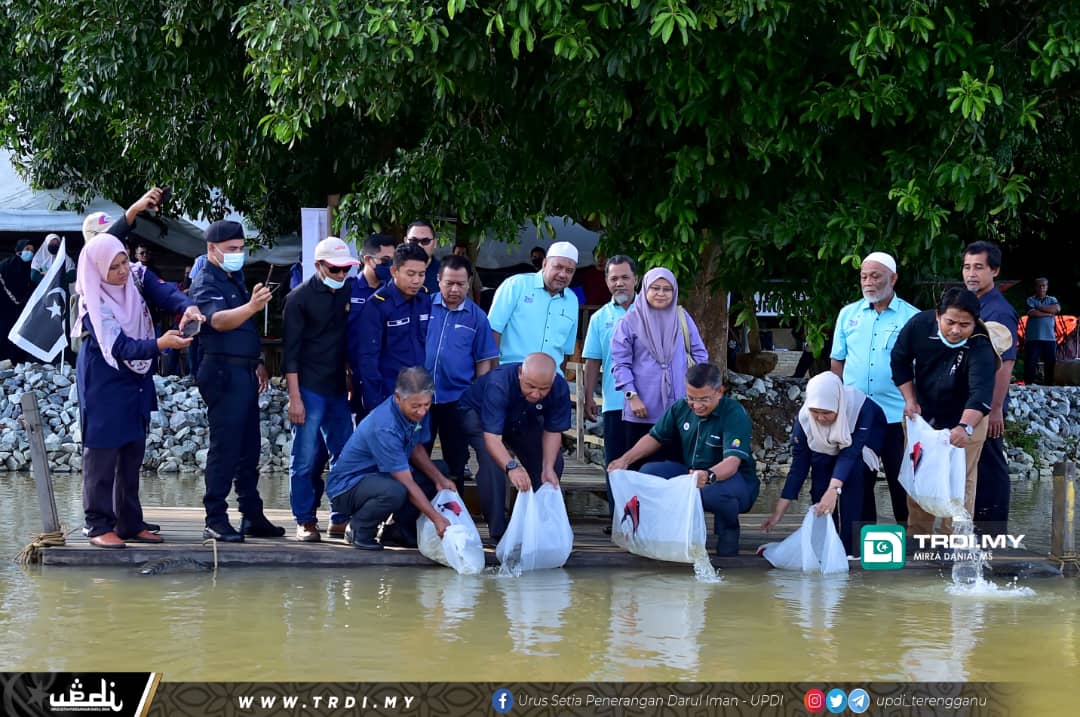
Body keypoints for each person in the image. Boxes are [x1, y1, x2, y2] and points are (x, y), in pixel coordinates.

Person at [73, 233, 203, 548]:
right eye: (113, 267)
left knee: (133, 448)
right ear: (97, 270)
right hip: (104, 374)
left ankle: (129, 522)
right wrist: (161, 344)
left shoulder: (136, 276)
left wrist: (187, 307)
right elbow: (120, 347)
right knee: (103, 452)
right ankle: (98, 524)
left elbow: (165, 293)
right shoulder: (93, 301)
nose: (122, 271)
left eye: (123, 261)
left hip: (136, 377)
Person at [189, 219, 283, 542]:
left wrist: (257, 362)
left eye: (241, 249)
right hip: (221, 372)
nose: (238, 254)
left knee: (249, 447)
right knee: (225, 448)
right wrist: (252, 306)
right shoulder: (206, 280)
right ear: (212, 249)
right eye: (231, 249)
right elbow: (218, 321)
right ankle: (214, 517)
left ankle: (251, 515)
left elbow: (243, 329)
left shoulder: (234, 277)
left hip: (243, 370)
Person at [607, 363, 759, 556]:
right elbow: (655, 437)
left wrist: (709, 475)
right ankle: (662, 536)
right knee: (648, 473)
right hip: (692, 473)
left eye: (704, 399)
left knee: (711, 493)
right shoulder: (680, 407)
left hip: (733, 482)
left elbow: (732, 462)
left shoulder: (734, 413)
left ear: (719, 392)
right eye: (691, 398)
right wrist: (625, 459)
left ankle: (728, 532)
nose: (696, 405)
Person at [890, 288, 998, 536]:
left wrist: (964, 427)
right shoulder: (919, 325)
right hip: (923, 414)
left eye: (964, 324)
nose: (956, 330)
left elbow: (981, 393)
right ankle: (919, 536)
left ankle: (955, 539)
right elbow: (899, 361)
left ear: (975, 323)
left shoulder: (980, 343)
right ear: (938, 316)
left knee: (961, 482)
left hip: (967, 417)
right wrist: (909, 399)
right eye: (950, 322)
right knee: (920, 475)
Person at [830, 251, 919, 527]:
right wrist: (839, 402)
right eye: (864, 276)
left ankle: (912, 544)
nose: (868, 282)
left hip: (897, 417)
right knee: (859, 483)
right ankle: (859, 546)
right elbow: (837, 360)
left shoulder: (913, 318)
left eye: (875, 276)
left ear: (893, 278)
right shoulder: (848, 315)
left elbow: (921, 367)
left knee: (902, 482)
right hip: (857, 416)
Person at [325, 367, 456, 550]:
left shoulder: (419, 411)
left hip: (380, 477)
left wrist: (440, 479)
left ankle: (396, 530)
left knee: (439, 470)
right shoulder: (385, 426)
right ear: (397, 398)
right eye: (416, 406)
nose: (422, 412)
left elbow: (415, 447)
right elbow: (407, 483)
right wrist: (437, 519)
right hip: (347, 487)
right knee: (396, 491)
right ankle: (358, 529)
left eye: (426, 404)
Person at [762, 371, 886, 555]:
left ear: (837, 405)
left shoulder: (862, 408)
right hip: (824, 445)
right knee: (820, 486)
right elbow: (799, 467)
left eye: (826, 412)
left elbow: (849, 454)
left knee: (855, 478)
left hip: (863, 441)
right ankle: (828, 542)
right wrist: (779, 511)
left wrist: (834, 489)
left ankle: (853, 547)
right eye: (815, 412)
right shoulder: (805, 420)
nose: (820, 418)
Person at [283, 237, 358, 542]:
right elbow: (290, 353)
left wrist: (352, 380)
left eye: (346, 270)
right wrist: (295, 398)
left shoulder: (349, 292)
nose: (342, 275)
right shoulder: (298, 299)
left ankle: (339, 517)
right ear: (318, 266)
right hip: (309, 388)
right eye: (335, 269)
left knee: (345, 455)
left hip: (338, 387)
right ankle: (304, 520)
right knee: (304, 457)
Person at [457, 353, 571, 540]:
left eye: (544, 389)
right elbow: (492, 437)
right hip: (478, 415)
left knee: (552, 463)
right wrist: (512, 467)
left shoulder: (559, 387)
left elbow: (553, 431)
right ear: (520, 374)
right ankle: (498, 532)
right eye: (530, 386)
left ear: (553, 380)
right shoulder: (499, 383)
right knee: (492, 465)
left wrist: (548, 467)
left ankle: (533, 523)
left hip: (520, 417)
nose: (536, 394)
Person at [611, 267, 708, 461]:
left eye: (667, 289)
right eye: (655, 288)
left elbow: (700, 356)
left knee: (676, 469)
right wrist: (632, 396)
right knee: (639, 469)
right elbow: (620, 364)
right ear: (645, 289)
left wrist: (694, 395)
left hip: (680, 410)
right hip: (642, 409)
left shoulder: (682, 318)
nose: (661, 294)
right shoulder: (629, 322)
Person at [423, 254, 499, 490]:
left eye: (460, 284)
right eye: (449, 283)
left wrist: (477, 398)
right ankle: (412, 519)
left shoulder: (477, 318)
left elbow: (484, 362)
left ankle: (456, 517)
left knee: (456, 461)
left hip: (457, 400)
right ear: (438, 280)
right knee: (417, 455)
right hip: (420, 399)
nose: (455, 289)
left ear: (469, 283)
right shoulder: (423, 307)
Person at [962, 241, 1019, 534]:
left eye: (979, 267)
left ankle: (994, 534)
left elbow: (1005, 364)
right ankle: (975, 530)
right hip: (971, 401)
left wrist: (995, 409)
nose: (971, 274)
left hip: (987, 406)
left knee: (991, 463)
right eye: (967, 267)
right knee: (975, 465)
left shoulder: (999, 311)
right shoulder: (970, 305)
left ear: (994, 271)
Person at [581, 255, 637, 517]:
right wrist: (588, 397)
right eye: (614, 278)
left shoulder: (652, 312)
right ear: (606, 281)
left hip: (652, 406)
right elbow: (592, 361)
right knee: (615, 462)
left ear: (636, 279)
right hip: (615, 404)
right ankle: (619, 520)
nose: (620, 283)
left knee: (644, 464)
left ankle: (647, 521)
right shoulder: (599, 318)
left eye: (625, 277)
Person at [356, 242, 432, 413]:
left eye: (422, 274)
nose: (416, 280)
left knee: (419, 440)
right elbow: (368, 358)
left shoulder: (423, 299)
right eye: (410, 274)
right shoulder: (377, 305)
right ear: (394, 271)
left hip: (418, 393)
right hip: (388, 395)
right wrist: (375, 404)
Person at [487, 240, 579, 371]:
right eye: (558, 267)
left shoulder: (572, 300)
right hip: (512, 374)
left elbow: (565, 351)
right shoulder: (516, 285)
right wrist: (496, 374)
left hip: (551, 381)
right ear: (545, 263)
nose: (563, 274)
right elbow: (493, 331)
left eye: (569, 270)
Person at [346, 232, 398, 421]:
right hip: (355, 373)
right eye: (385, 260)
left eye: (393, 261)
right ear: (368, 259)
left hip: (386, 374)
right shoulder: (349, 290)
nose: (390, 266)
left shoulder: (393, 293)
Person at [0, 240, 36, 362]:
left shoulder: (33, 268)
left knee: (20, 338)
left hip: (23, 311)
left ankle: (18, 364)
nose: (29, 252)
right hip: (4, 310)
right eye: (26, 249)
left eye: (32, 250)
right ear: (19, 250)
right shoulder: (5, 265)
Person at [1024, 277, 1060, 386]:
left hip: (1049, 337)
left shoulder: (1052, 299)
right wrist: (1049, 313)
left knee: (1050, 362)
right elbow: (1032, 313)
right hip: (1033, 337)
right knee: (1030, 361)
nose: (1042, 288)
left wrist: (1039, 307)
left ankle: (1049, 383)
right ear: (1035, 287)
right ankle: (1029, 384)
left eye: (1044, 285)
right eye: (1039, 285)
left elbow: (1057, 309)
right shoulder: (1030, 299)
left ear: (1047, 287)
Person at [404, 220, 441, 295]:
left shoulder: (446, 273)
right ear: (405, 241)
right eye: (414, 241)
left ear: (435, 243)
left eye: (425, 241)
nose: (419, 246)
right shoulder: (392, 270)